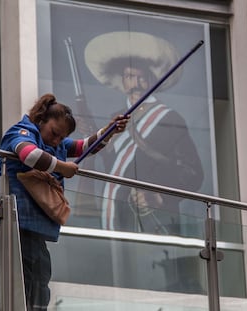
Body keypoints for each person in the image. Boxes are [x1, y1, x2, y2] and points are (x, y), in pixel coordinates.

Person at [0, 93, 129, 311]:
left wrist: (109, 131)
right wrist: (63, 167)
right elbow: (29, 155)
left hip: (30, 227)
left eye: (61, 138)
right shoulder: (21, 132)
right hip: (8, 224)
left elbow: (84, 146)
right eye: (54, 133)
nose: (56, 141)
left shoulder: (54, 143)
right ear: (41, 120)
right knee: (8, 286)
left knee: (39, 284)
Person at [84, 31, 204, 234]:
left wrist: (159, 196)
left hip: (155, 220)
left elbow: (193, 173)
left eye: (142, 77)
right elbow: (114, 167)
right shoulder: (117, 118)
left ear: (151, 80)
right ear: (122, 81)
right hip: (117, 213)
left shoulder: (169, 119)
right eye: (130, 77)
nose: (136, 83)